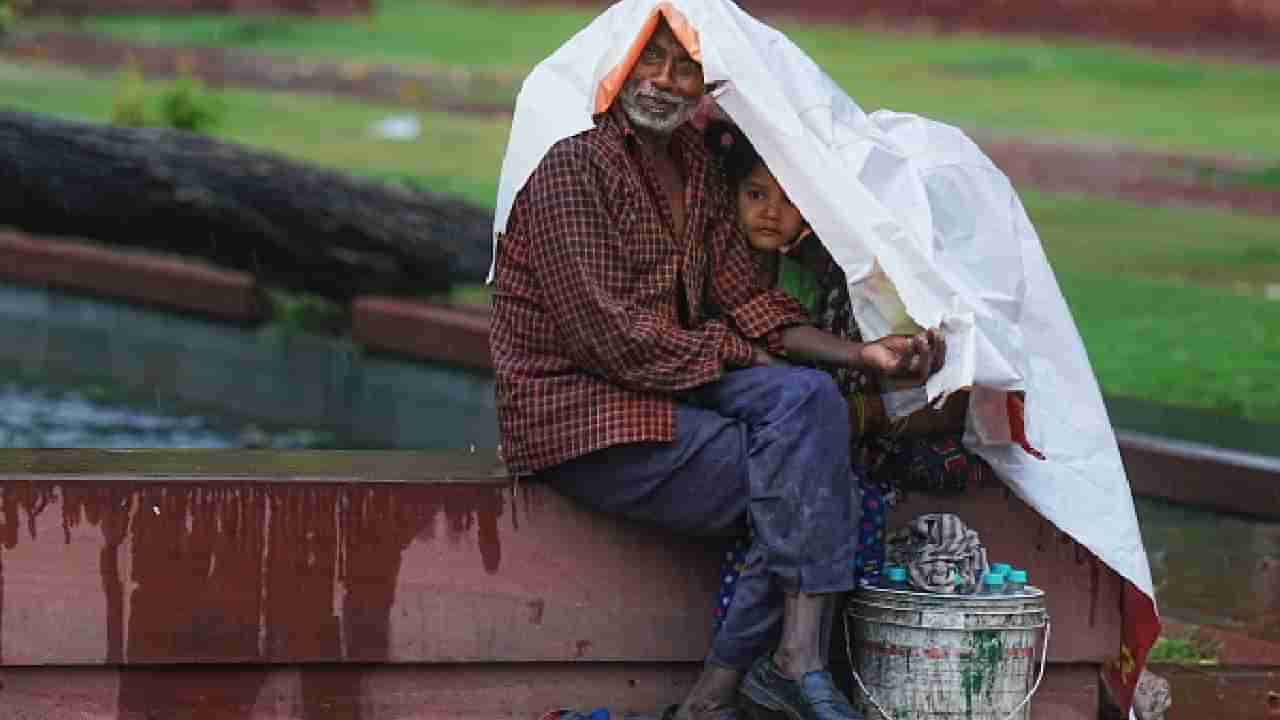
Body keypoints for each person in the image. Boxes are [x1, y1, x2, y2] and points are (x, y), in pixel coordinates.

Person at [489, 16, 948, 720]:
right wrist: (745, 353)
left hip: (672, 380)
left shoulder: (694, 163)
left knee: (812, 406)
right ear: (618, 64)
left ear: (708, 81)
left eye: (685, 67)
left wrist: (863, 355)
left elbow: (744, 295)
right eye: (652, 60)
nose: (665, 82)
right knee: (815, 480)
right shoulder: (570, 169)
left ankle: (786, 664)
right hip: (583, 413)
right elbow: (616, 341)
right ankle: (730, 688)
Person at [703, 120, 999, 633]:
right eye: (755, 194)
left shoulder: (830, 276)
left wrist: (864, 407)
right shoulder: (717, 269)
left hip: (829, 424)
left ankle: (833, 641)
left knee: (858, 496)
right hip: (771, 427)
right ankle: (754, 653)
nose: (771, 212)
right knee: (795, 503)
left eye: (789, 200)